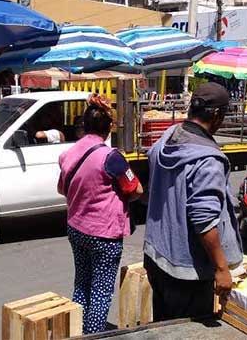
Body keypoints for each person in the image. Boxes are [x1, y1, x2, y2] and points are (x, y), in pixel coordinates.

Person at [144, 82, 244, 322]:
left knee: (164, 327)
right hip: (186, 270)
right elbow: (203, 218)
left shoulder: (168, 137)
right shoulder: (208, 159)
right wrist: (221, 268)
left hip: (156, 257)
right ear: (218, 115)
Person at [58, 94, 144, 334]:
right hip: (104, 235)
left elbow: (61, 188)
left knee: (82, 283)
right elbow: (136, 189)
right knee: (101, 289)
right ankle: (94, 334)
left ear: (83, 126)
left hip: (76, 228)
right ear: (108, 129)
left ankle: (77, 330)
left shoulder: (69, 153)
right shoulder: (111, 157)